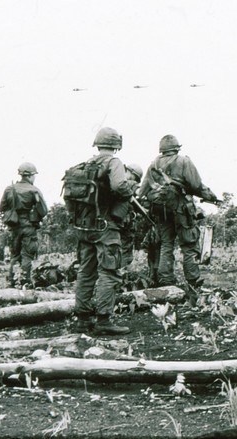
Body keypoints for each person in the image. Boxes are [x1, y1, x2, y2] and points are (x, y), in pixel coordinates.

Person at [71, 127, 136, 335]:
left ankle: (82, 320)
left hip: (85, 226)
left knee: (86, 272)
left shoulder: (87, 164)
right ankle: (103, 320)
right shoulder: (113, 162)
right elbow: (119, 186)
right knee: (109, 272)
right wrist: (130, 191)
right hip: (105, 227)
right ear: (116, 145)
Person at [138, 134, 218, 304]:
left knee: (166, 244)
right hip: (181, 209)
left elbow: (143, 189)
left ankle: (166, 282)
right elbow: (196, 185)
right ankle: (193, 283)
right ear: (176, 147)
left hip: (160, 210)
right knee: (189, 246)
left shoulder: (153, 164)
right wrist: (211, 196)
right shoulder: (183, 161)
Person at [0, 162, 48, 288]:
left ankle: (12, 281)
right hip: (28, 227)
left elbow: (2, 208)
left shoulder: (9, 189)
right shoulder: (34, 190)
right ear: (31, 175)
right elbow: (43, 211)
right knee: (27, 255)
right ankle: (25, 282)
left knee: (14, 255)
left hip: (13, 227)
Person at [119, 163, 143, 268]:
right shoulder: (129, 183)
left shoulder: (113, 181)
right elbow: (140, 192)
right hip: (124, 223)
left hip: (109, 222)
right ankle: (122, 274)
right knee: (125, 249)